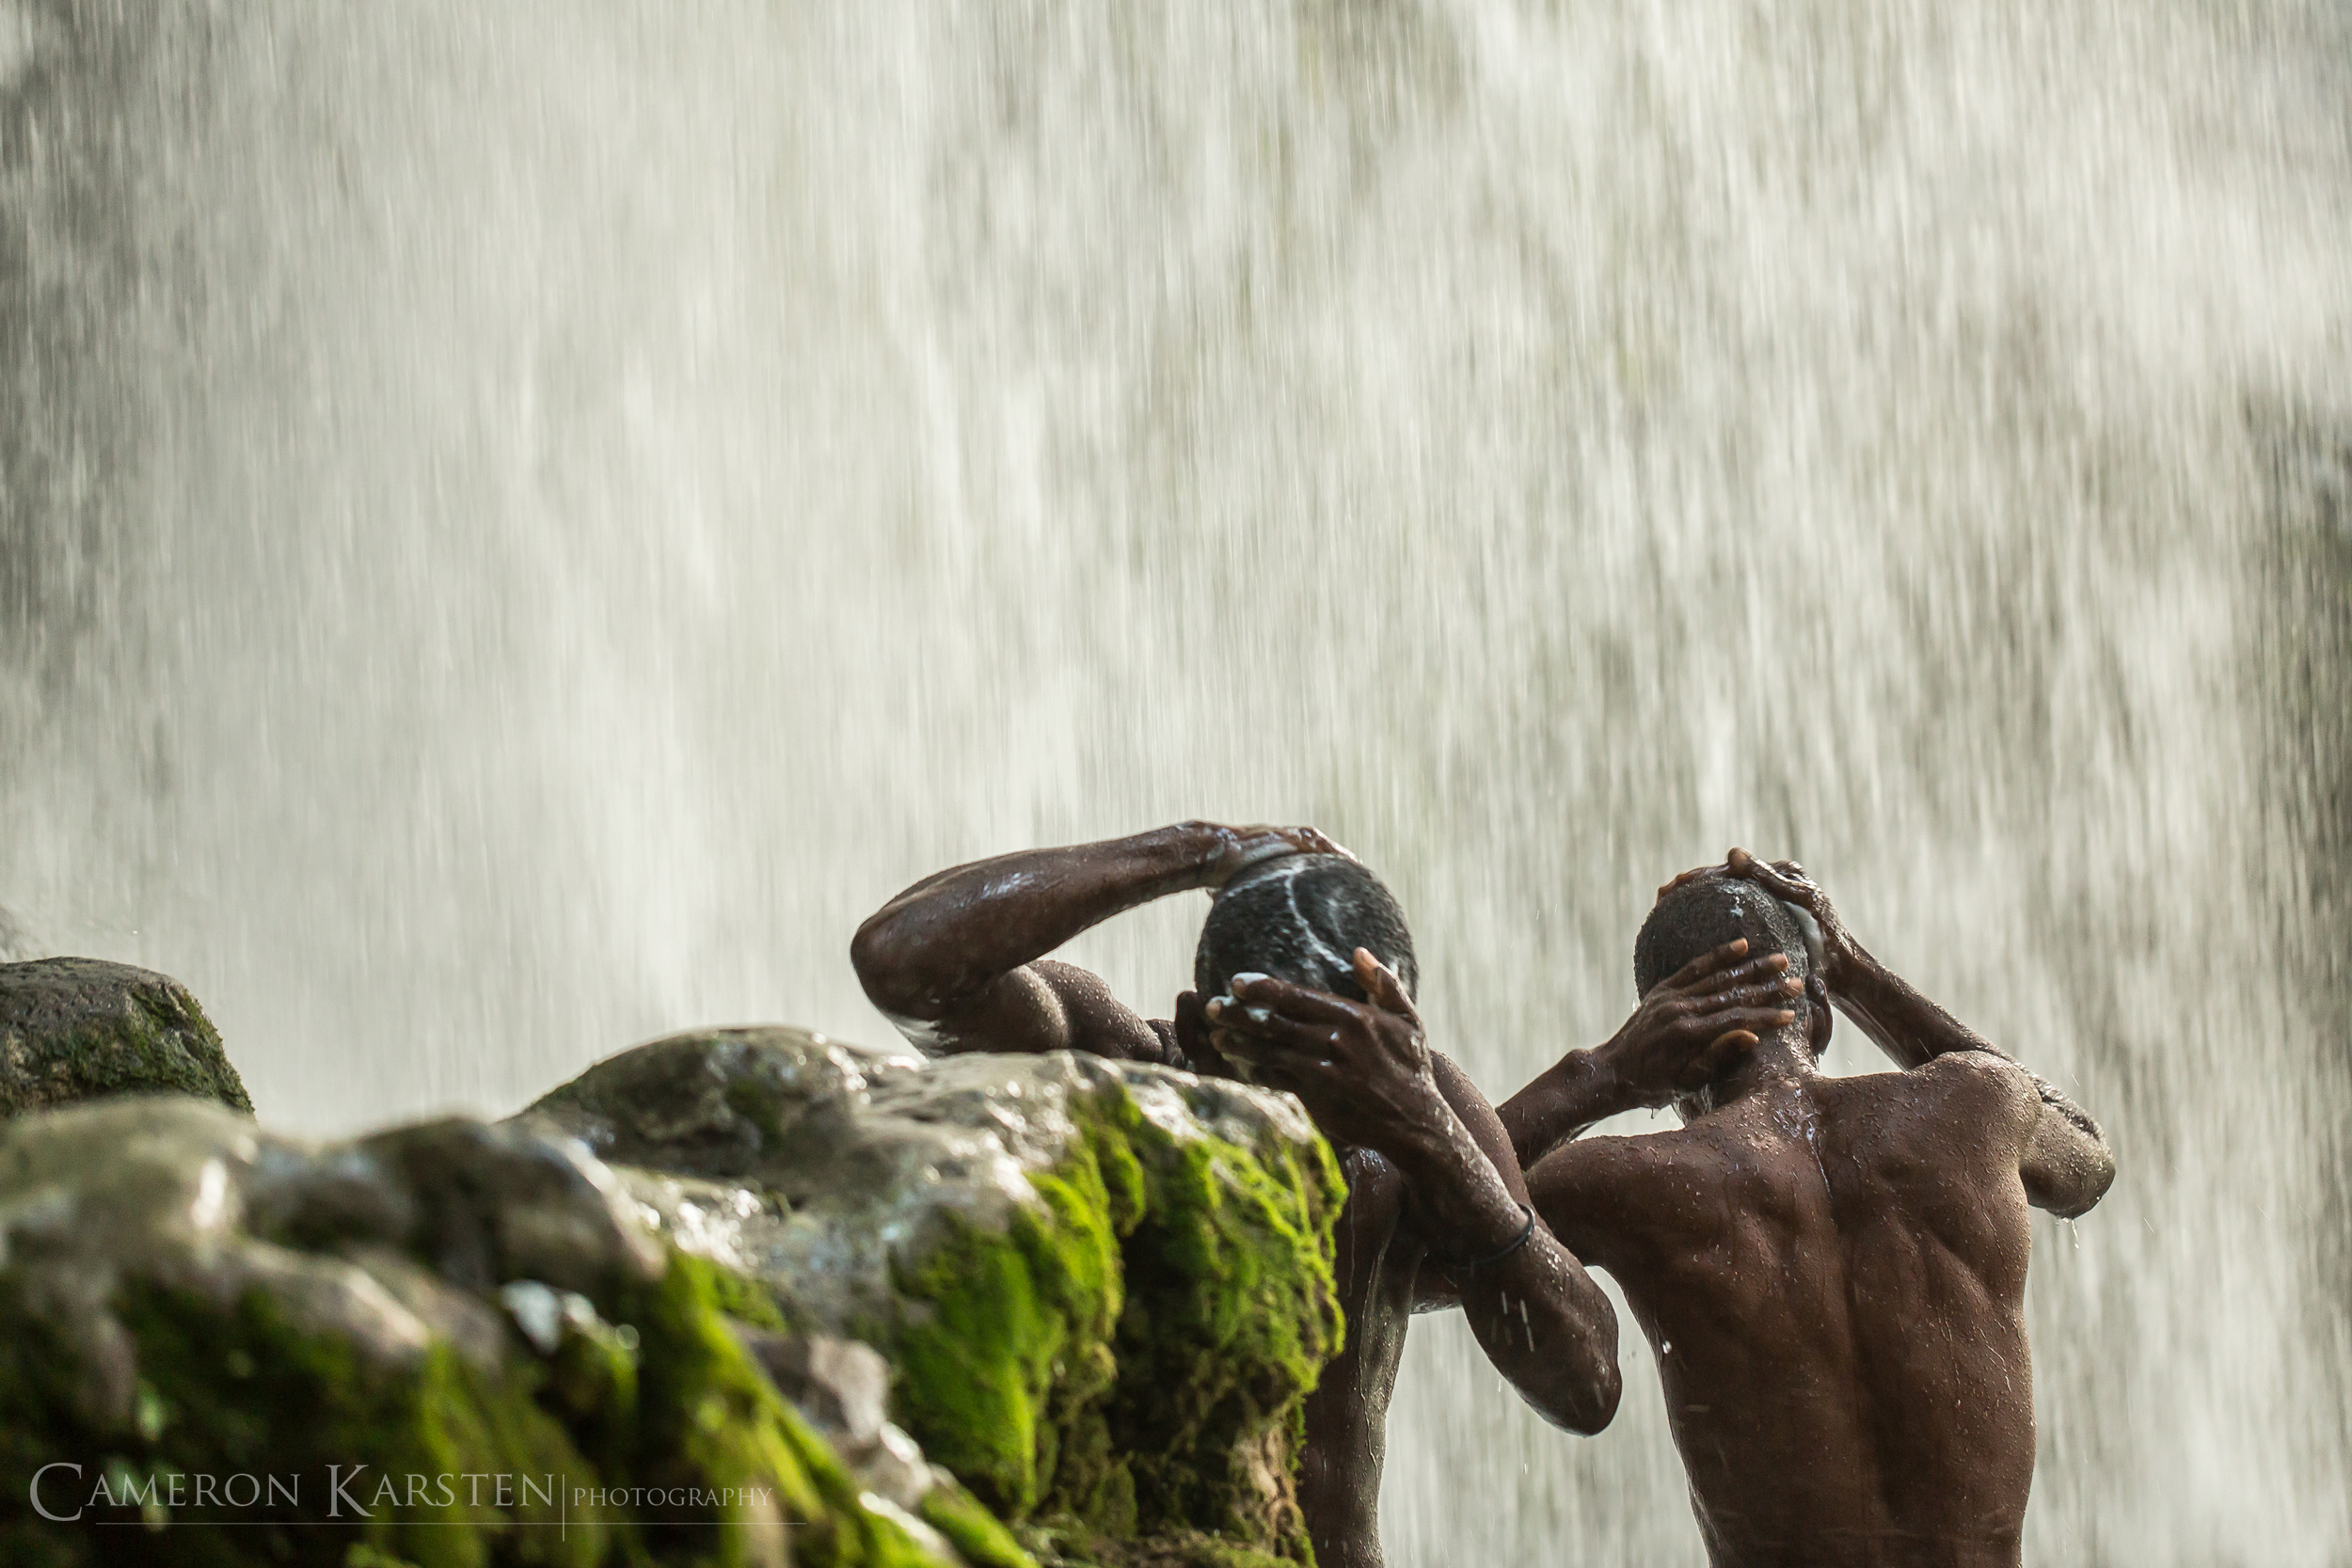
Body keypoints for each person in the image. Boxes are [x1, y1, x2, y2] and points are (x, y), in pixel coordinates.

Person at [851, 821, 1797, 1568]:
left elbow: (1586, 1382)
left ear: (1397, 1037)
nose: (1315, 1134)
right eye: (1282, 1078)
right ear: (1201, 1031)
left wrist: (1422, 1122)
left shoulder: (1411, 1109)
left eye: (1347, 1081)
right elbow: (902, 958)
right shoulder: (1120, 1071)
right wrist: (1202, 849)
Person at [1510, 850, 2116, 1568]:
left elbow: (1419, 1225)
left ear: (1668, 1055)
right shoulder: (1977, 1106)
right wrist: (1854, 968)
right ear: (1821, 1016)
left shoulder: (1627, 1183)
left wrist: (1604, 1075)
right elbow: (2087, 1161)